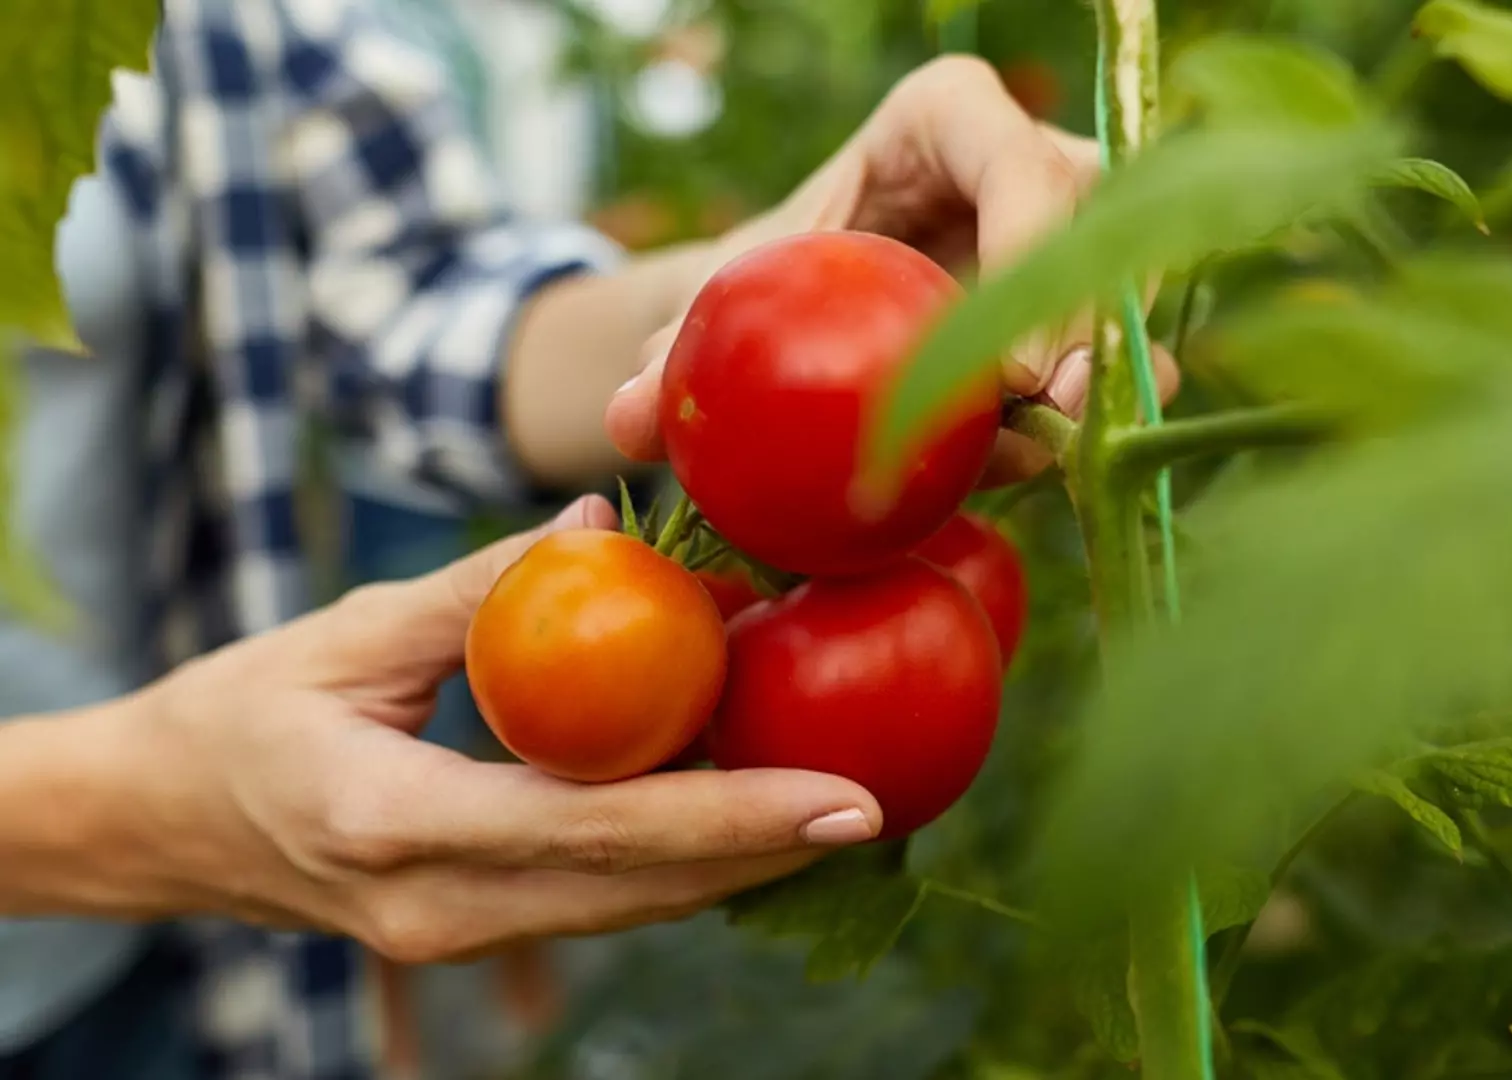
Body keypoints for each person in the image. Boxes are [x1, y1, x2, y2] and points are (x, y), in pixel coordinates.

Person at [0, 0, 1177, 1077]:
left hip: (141, 980)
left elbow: (421, 306)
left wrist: (763, 290)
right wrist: (125, 808)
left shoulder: (225, 28)